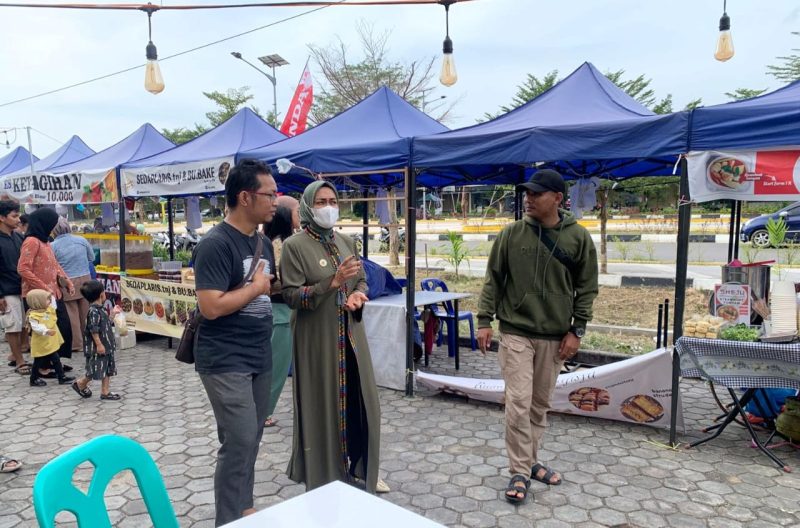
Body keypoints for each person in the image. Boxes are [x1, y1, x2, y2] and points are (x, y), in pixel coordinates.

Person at [476, 169, 598, 504]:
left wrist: (578, 329)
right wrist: (484, 320)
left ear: (557, 198)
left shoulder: (578, 238)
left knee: (539, 405)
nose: (528, 199)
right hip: (516, 331)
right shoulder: (511, 234)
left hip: (556, 335)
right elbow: (494, 280)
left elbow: (587, 289)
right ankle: (519, 469)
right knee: (517, 403)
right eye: (526, 194)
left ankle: (530, 462)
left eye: (536, 194)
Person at [280, 180, 387, 494]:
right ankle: (325, 476)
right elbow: (291, 295)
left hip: (351, 336)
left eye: (332, 200)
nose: (328, 206)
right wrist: (332, 281)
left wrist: (357, 295)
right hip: (317, 340)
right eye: (321, 201)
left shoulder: (346, 241)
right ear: (309, 206)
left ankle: (362, 467)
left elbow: (362, 280)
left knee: (362, 401)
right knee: (322, 405)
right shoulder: (294, 247)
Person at [193, 159, 277, 527]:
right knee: (239, 439)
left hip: (259, 353)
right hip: (225, 358)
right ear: (245, 197)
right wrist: (256, 288)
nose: (276, 201)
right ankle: (228, 520)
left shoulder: (262, 242)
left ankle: (245, 507)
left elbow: (271, 294)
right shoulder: (215, 244)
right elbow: (210, 307)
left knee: (252, 437)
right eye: (269, 194)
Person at [17, 207, 75, 371]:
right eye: (52, 224)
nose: (53, 227)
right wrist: (43, 288)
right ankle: (43, 367)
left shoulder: (46, 241)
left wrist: (67, 282)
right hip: (38, 297)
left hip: (53, 294)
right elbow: (23, 269)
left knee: (61, 328)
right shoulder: (31, 242)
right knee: (43, 331)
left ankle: (54, 361)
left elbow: (54, 265)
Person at [262, 196, 300, 427]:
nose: (302, 215)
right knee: (276, 367)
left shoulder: (275, 240)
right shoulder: (282, 244)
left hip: (283, 312)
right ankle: (263, 411)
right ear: (286, 215)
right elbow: (278, 280)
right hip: (281, 312)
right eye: (297, 210)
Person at [51, 217, 94, 354]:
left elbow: (53, 266)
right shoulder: (81, 240)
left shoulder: (53, 246)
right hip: (85, 278)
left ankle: (77, 344)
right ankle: (91, 339)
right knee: (86, 311)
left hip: (66, 281)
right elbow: (91, 258)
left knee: (72, 314)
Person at [71, 280, 119, 400]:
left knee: (108, 368)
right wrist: (99, 344)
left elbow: (105, 323)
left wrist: (112, 314)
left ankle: (105, 391)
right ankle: (80, 383)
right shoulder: (93, 311)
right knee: (95, 369)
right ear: (101, 295)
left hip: (106, 346)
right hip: (98, 348)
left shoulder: (100, 309)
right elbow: (94, 329)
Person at [0, 200, 29, 375]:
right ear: (2, 218)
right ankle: (19, 360)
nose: (18, 219)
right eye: (14, 216)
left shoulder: (19, 237)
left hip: (23, 287)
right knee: (13, 325)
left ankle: (15, 354)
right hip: (6, 289)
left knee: (25, 324)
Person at [26, 289, 74, 387]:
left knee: (56, 359)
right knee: (38, 361)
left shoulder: (48, 309)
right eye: (47, 300)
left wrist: (51, 294)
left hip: (49, 341)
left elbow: (54, 304)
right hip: (41, 343)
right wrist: (45, 331)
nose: (49, 302)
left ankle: (61, 377)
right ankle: (33, 379)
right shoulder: (34, 315)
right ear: (38, 302)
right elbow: (36, 327)